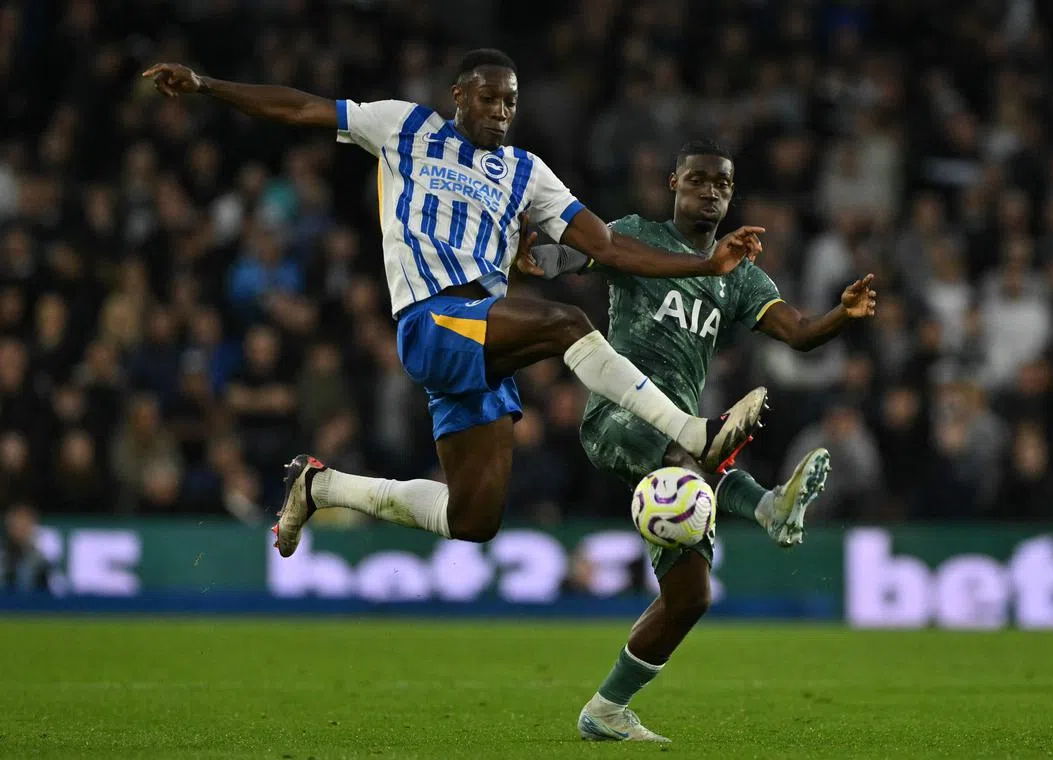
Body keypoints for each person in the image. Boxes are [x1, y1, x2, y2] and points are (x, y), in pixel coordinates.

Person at [142, 50, 768, 554]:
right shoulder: (405, 127)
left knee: (472, 519)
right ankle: (691, 430)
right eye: (489, 97)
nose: (501, 111)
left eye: (511, 102)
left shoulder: (526, 171)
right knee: (564, 322)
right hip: (433, 320)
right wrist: (205, 85)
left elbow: (605, 245)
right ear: (460, 95)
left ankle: (320, 485)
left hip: (485, 342)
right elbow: (302, 108)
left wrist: (704, 263)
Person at [517, 140, 877, 742]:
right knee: (690, 447)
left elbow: (800, 333)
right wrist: (530, 257)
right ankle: (765, 504)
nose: (710, 191)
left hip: (679, 451)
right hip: (618, 419)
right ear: (673, 184)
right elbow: (567, 260)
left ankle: (606, 710)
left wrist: (840, 314)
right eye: (698, 180)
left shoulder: (740, 275)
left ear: (731, 196)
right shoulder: (634, 235)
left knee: (690, 598)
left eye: (722, 185)